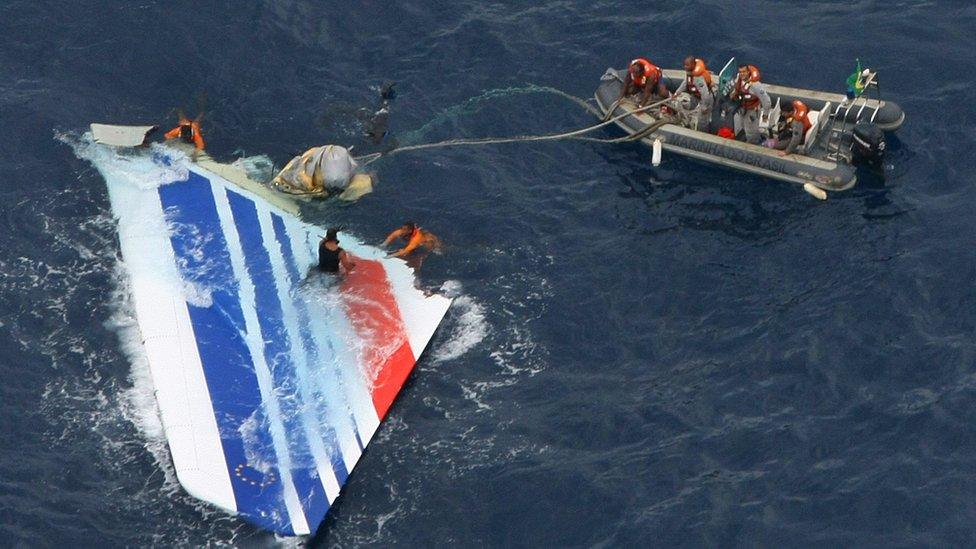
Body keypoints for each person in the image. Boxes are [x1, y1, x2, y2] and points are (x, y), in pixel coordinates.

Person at [728, 64, 771, 144]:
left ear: (748, 72)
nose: (742, 74)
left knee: (751, 131)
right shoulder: (739, 79)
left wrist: (765, 119)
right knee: (743, 125)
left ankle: (754, 144)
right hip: (742, 108)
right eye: (740, 72)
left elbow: (767, 102)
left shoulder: (756, 85)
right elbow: (737, 89)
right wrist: (734, 93)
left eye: (744, 72)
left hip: (752, 111)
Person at [673, 56, 715, 130]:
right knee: (689, 106)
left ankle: (702, 132)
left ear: (693, 65)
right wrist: (677, 93)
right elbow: (685, 83)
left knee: (703, 120)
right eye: (685, 65)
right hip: (695, 95)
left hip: (705, 99)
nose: (685, 67)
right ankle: (686, 117)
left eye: (687, 65)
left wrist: (704, 106)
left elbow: (705, 94)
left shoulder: (698, 78)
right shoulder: (689, 73)